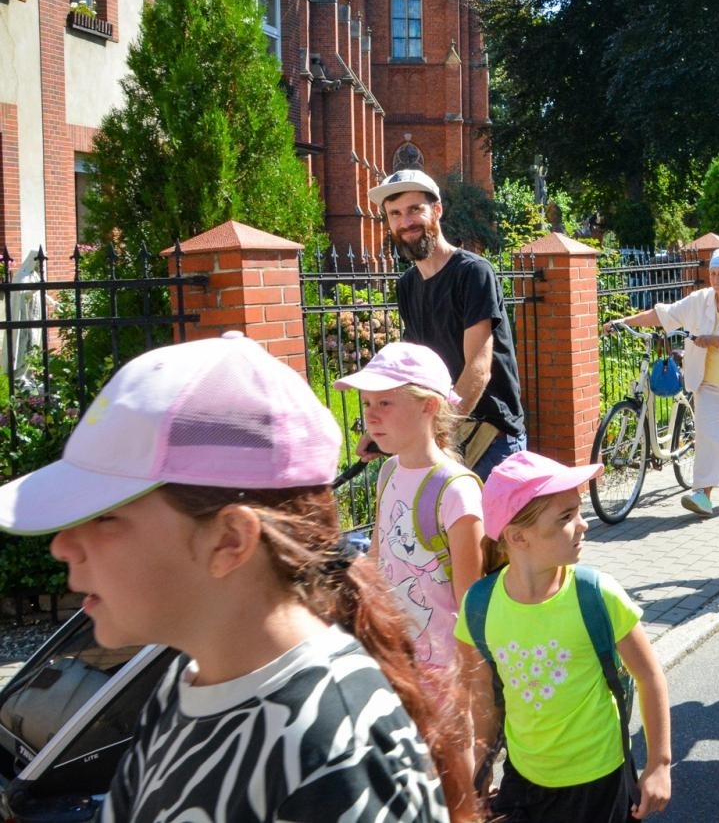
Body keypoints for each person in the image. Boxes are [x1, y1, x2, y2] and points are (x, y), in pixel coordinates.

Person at [0, 334, 472, 821]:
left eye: (106, 517)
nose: (62, 545)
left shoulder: (333, 754)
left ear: (230, 540)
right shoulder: (190, 687)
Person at [459, 451, 672, 820]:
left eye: (578, 511)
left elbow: (650, 676)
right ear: (517, 537)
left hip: (599, 783)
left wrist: (659, 764)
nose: (584, 524)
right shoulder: (479, 606)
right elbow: (483, 697)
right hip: (525, 781)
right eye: (566, 517)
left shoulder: (597, 595)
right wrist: (481, 766)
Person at [334, 342, 486, 684]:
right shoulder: (388, 472)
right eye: (367, 403)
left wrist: (475, 695)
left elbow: (470, 605)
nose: (370, 416)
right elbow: (377, 558)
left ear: (429, 406)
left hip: (444, 673)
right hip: (396, 657)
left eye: (385, 403)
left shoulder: (456, 490)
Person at [371, 168, 528, 480]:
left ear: (437, 211)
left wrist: (434, 431)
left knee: (496, 531)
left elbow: (478, 369)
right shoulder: (407, 285)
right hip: (447, 435)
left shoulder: (473, 273)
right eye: (395, 213)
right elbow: (414, 370)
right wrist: (384, 424)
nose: (406, 222)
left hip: (492, 439)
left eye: (415, 209)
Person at [606, 247, 719, 516]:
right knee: (707, 437)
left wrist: (713, 340)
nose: (716, 279)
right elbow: (663, 314)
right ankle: (703, 493)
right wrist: (624, 320)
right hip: (708, 381)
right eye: (713, 273)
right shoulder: (700, 300)